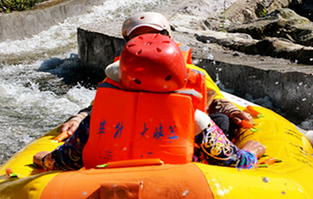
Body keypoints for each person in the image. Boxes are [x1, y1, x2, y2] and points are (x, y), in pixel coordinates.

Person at [33, 34, 264, 171]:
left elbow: (68, 159)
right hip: (176, 189)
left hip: (102, 183)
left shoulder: (99, 116)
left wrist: (43, 159)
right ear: (179, 78)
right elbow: (235, 162)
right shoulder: (194, 118)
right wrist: (252, 151)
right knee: (221, 124)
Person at [59, 12, 253, 140]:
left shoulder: (194, 74)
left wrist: (233, 112)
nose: (149, 42)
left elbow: (214, 99)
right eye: (139, 38)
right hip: (132, 135)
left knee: (221, 120)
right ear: (128, 43)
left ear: (168, 37)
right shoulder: (118, 73)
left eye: (155, 35)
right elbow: (101, 104)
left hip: (178, 134)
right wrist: (79, 118)